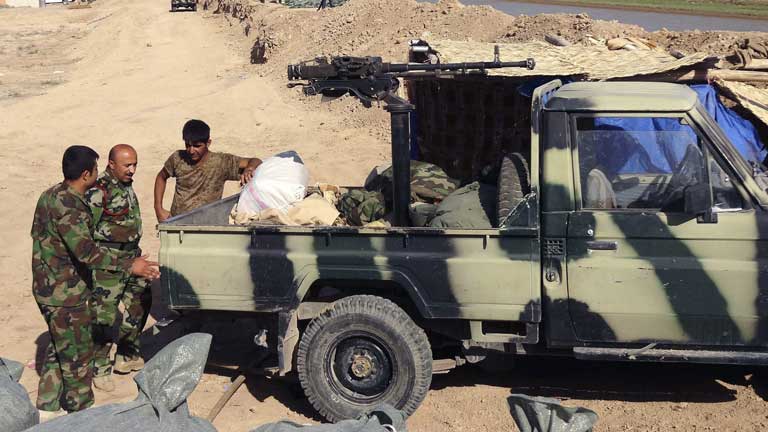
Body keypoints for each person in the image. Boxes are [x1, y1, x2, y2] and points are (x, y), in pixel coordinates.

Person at [31, 146, 159, 419]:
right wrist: (130, 264)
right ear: (86, 174)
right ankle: (82, 416)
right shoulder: (71, 206)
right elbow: (86, 252)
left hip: (48, 288)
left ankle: (46, 409)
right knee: (78, 358)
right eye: (96, 169)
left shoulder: (50, 195)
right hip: (65, 294)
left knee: (59, 348)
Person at [86, 144, 152, 392]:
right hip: (108, 263)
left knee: (141, 302)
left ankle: (127, 354)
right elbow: (87, 232)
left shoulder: (125, 185)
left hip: (132, 256)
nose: (132, 170)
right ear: (111, 164)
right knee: (104, 316)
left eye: (135, 164)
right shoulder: (98, 190)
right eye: (127, 165)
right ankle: (100, 367)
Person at [154, 119, 262, 222]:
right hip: (177, 224)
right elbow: (161, 177)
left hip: (207, 225)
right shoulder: (177, 158)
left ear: (208, 143)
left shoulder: (221, 162)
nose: (191, 151)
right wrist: (158, 209)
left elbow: (255, 161)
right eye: (188, 145)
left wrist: (249, 169)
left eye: (197, 146)